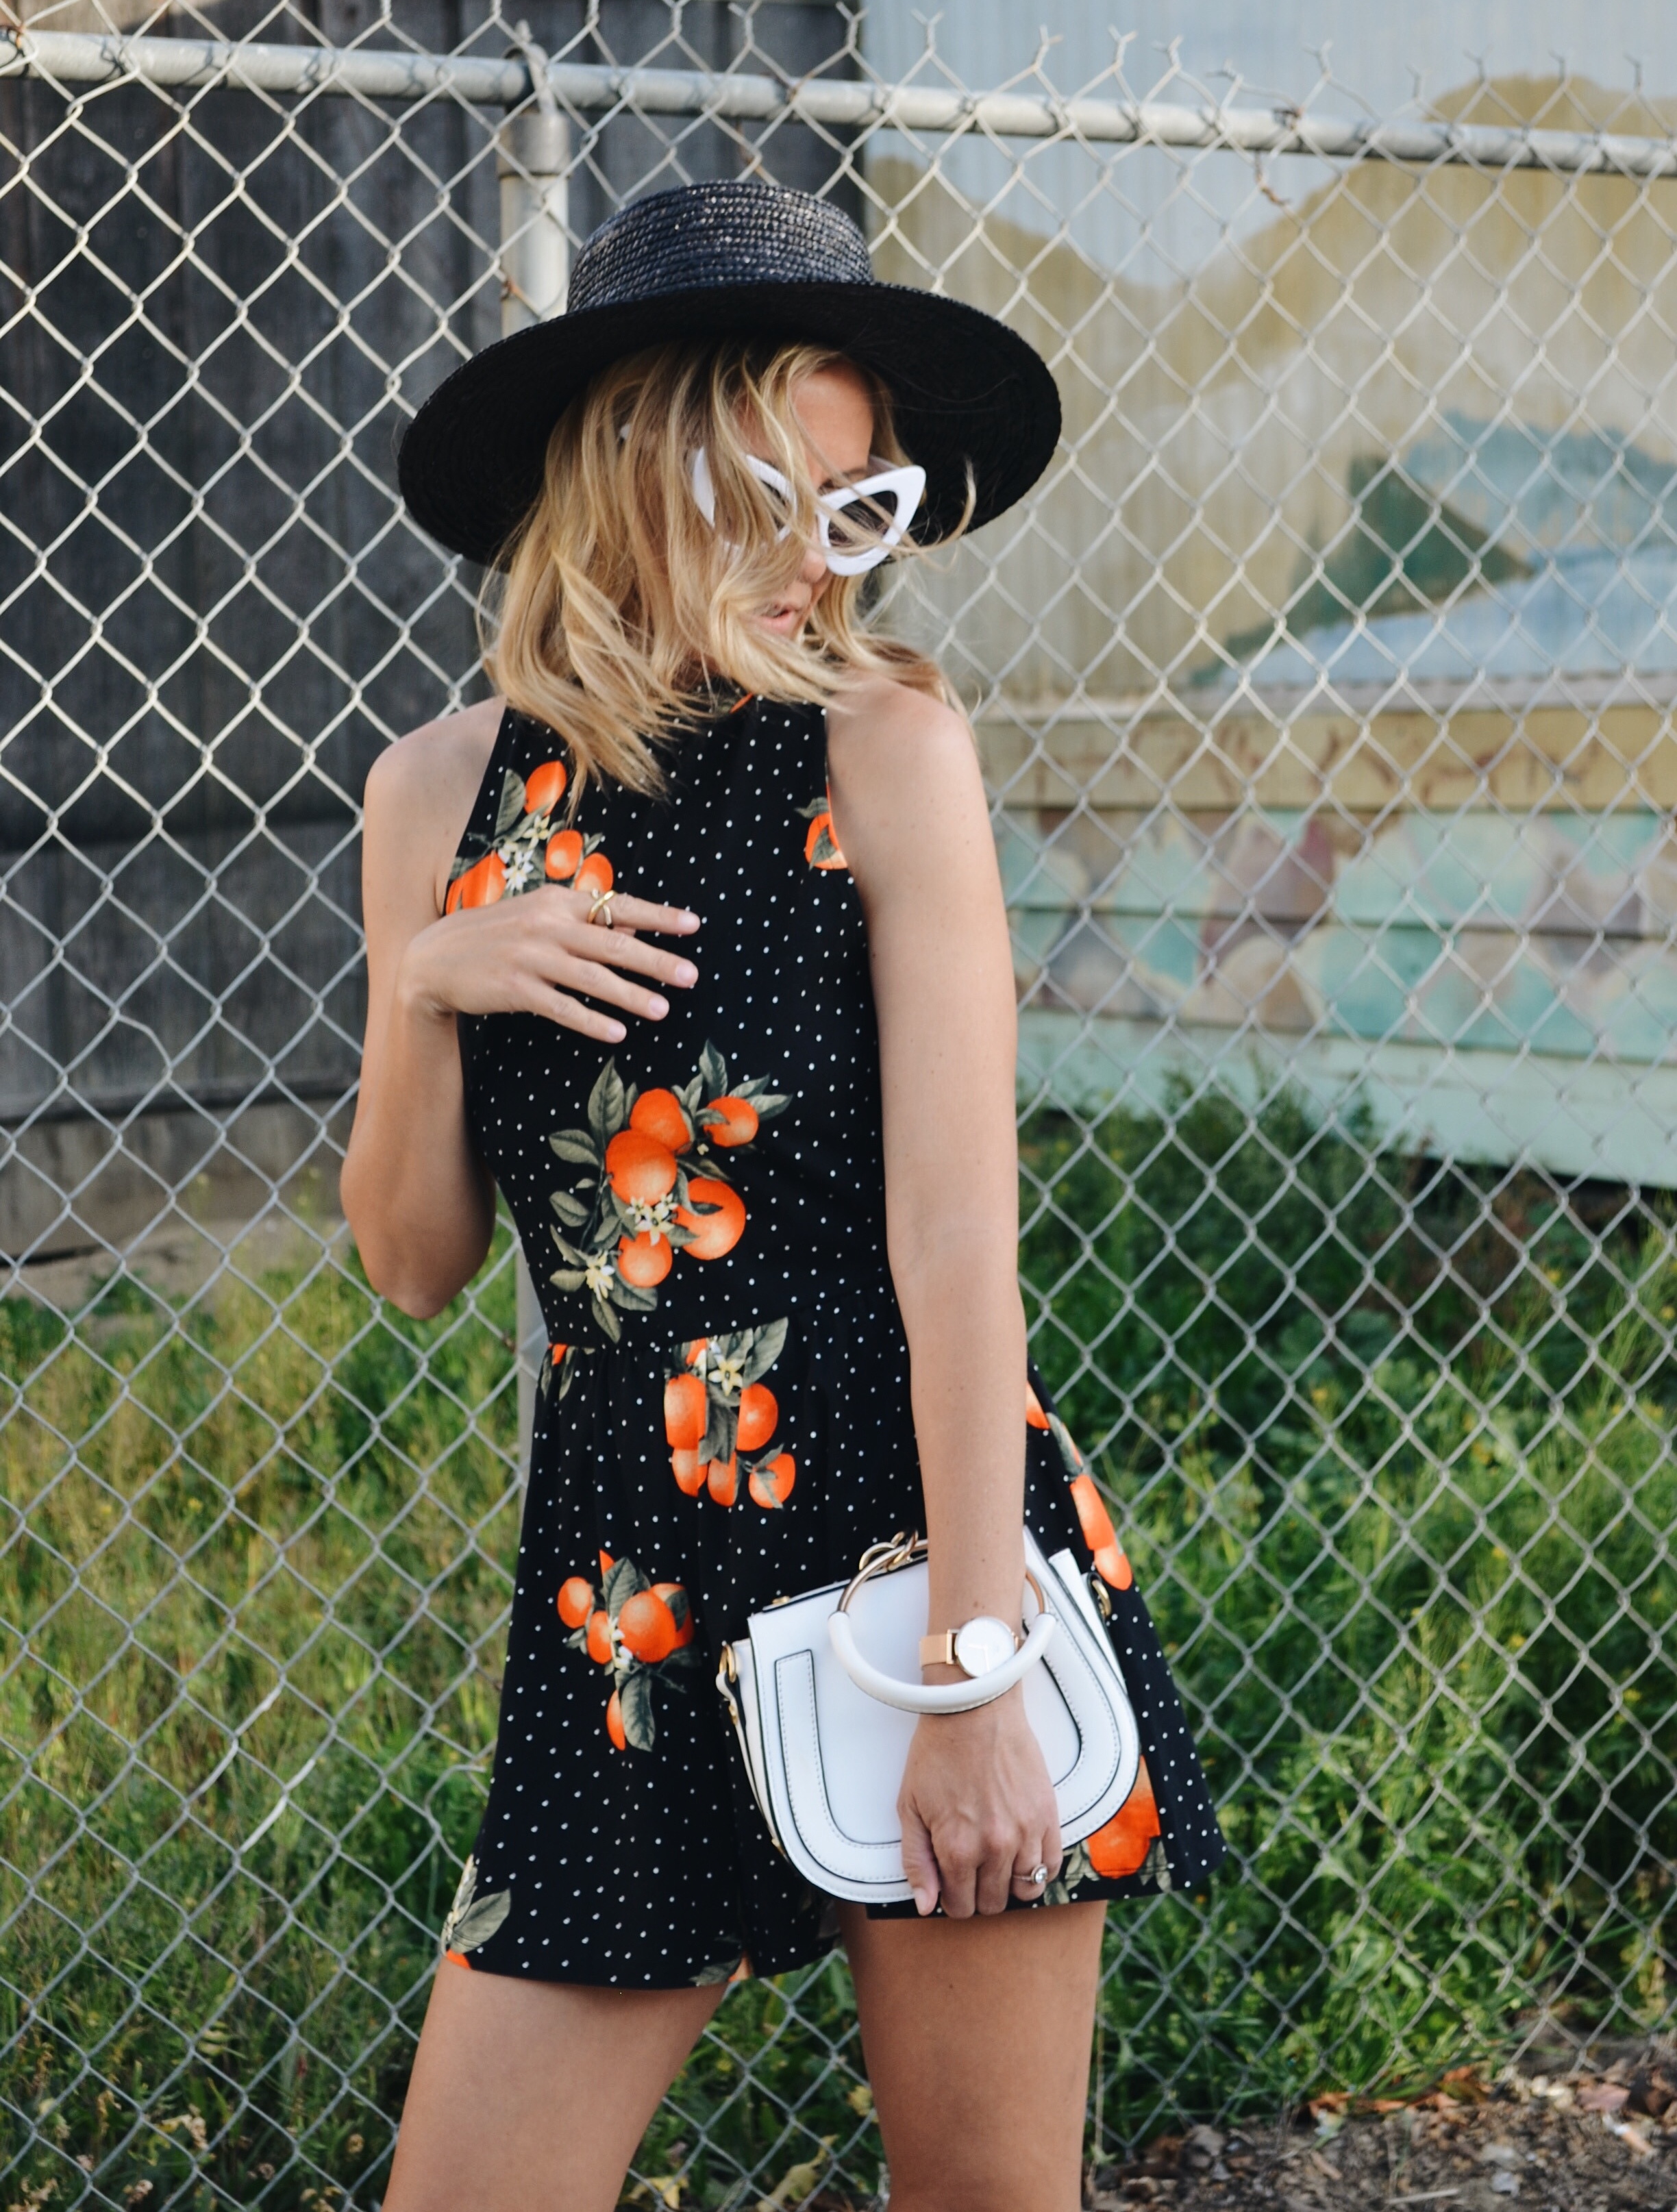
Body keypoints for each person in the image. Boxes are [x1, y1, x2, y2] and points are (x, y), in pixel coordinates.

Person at [344, 178, 1224, 2212]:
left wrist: (977, 1676)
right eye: (777, 492)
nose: (822, 562)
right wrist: (427, 986)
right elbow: (412, 1264)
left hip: (915, 1545)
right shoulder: (434, 801)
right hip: (623, 1589)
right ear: (639, 462)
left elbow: (954, 1238)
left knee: (985, 2200)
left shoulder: (886, 747)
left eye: (863, 508)